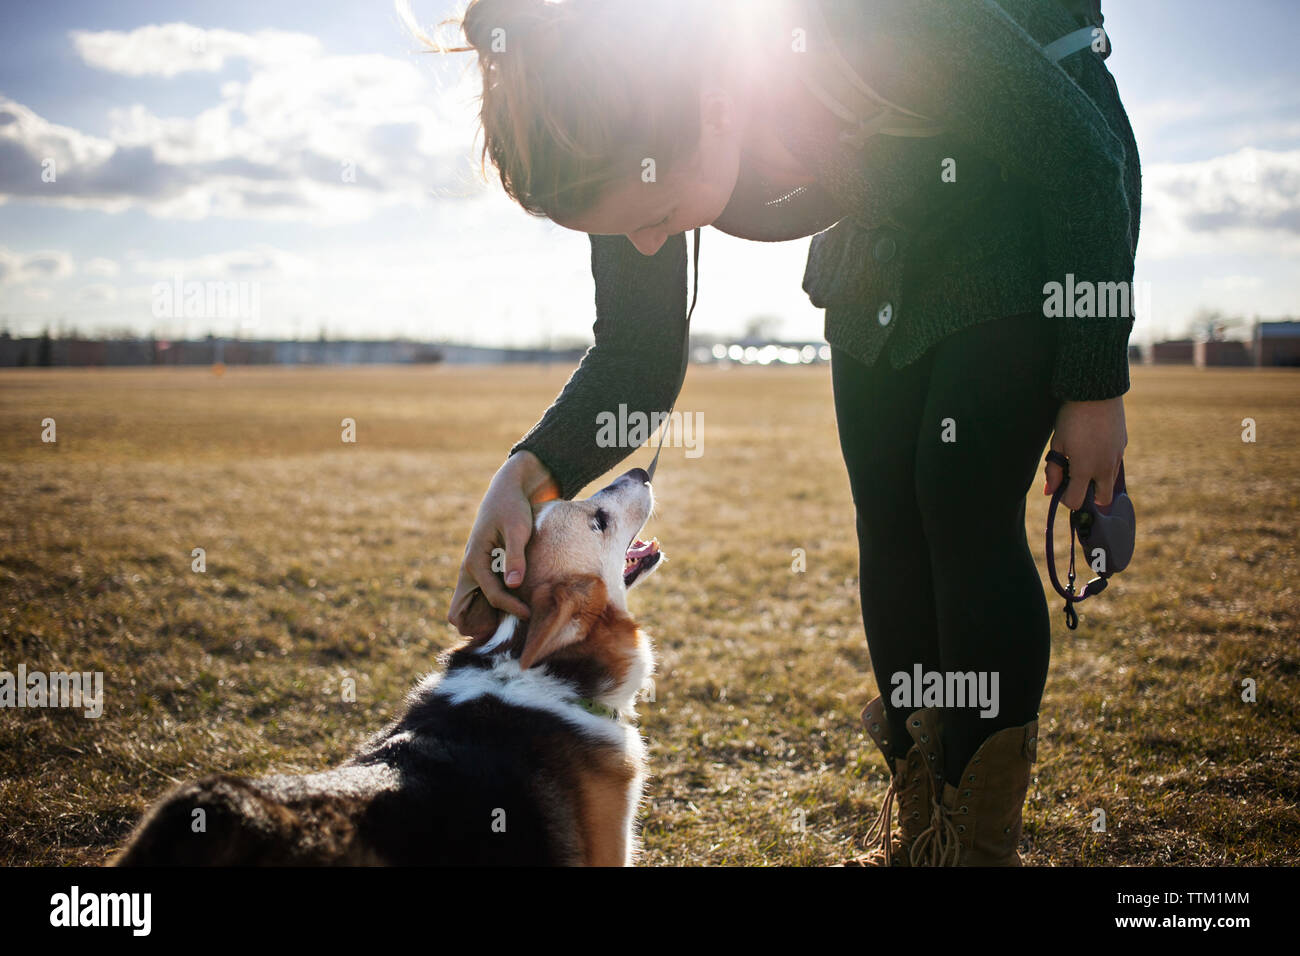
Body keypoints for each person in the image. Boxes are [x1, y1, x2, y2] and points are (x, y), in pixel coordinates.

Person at [423, 0, 1140, 866]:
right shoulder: (624, 146)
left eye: (652, 213)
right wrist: (524, 475)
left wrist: (1094, 387)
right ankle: (925, 832)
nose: (648, 240)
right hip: (881, 242)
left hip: (1025, 211)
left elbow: (1082, 157)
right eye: (622, 230)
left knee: (959, 505)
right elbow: (638, 360)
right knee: (889, 515)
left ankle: (976, 849)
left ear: (713, 104)